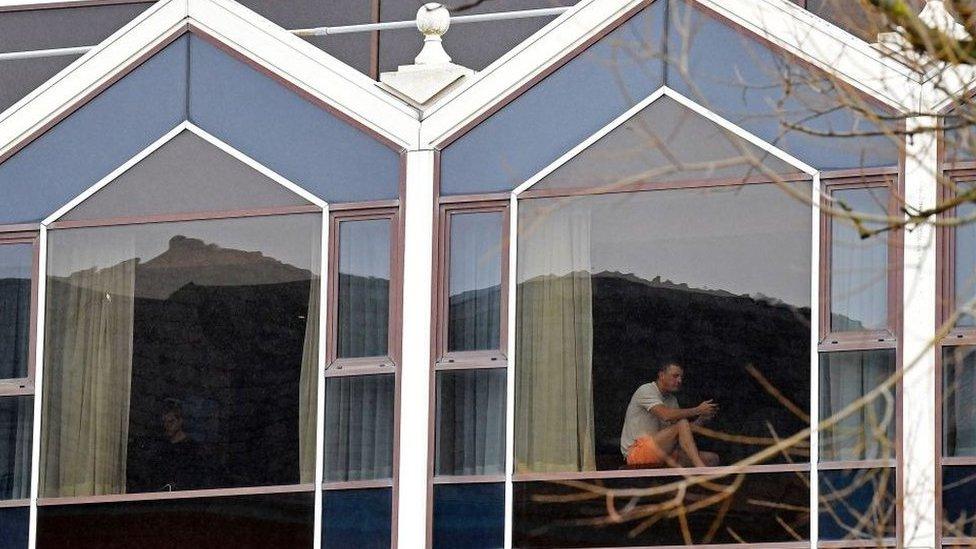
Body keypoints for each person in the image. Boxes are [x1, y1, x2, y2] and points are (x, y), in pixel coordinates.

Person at [620, 361, 720, 468]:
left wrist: (702, 419)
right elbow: (666, 415)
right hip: (638, 453)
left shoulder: (672, 400)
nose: (679, 380)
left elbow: (684, 431)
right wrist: (698, 410)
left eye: (681, 377)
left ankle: (699, 478)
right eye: (675, 376)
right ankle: (700, 468)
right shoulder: (646, 390)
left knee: (712, 459)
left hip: (663, 452)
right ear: (662, 375)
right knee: (681, 423)